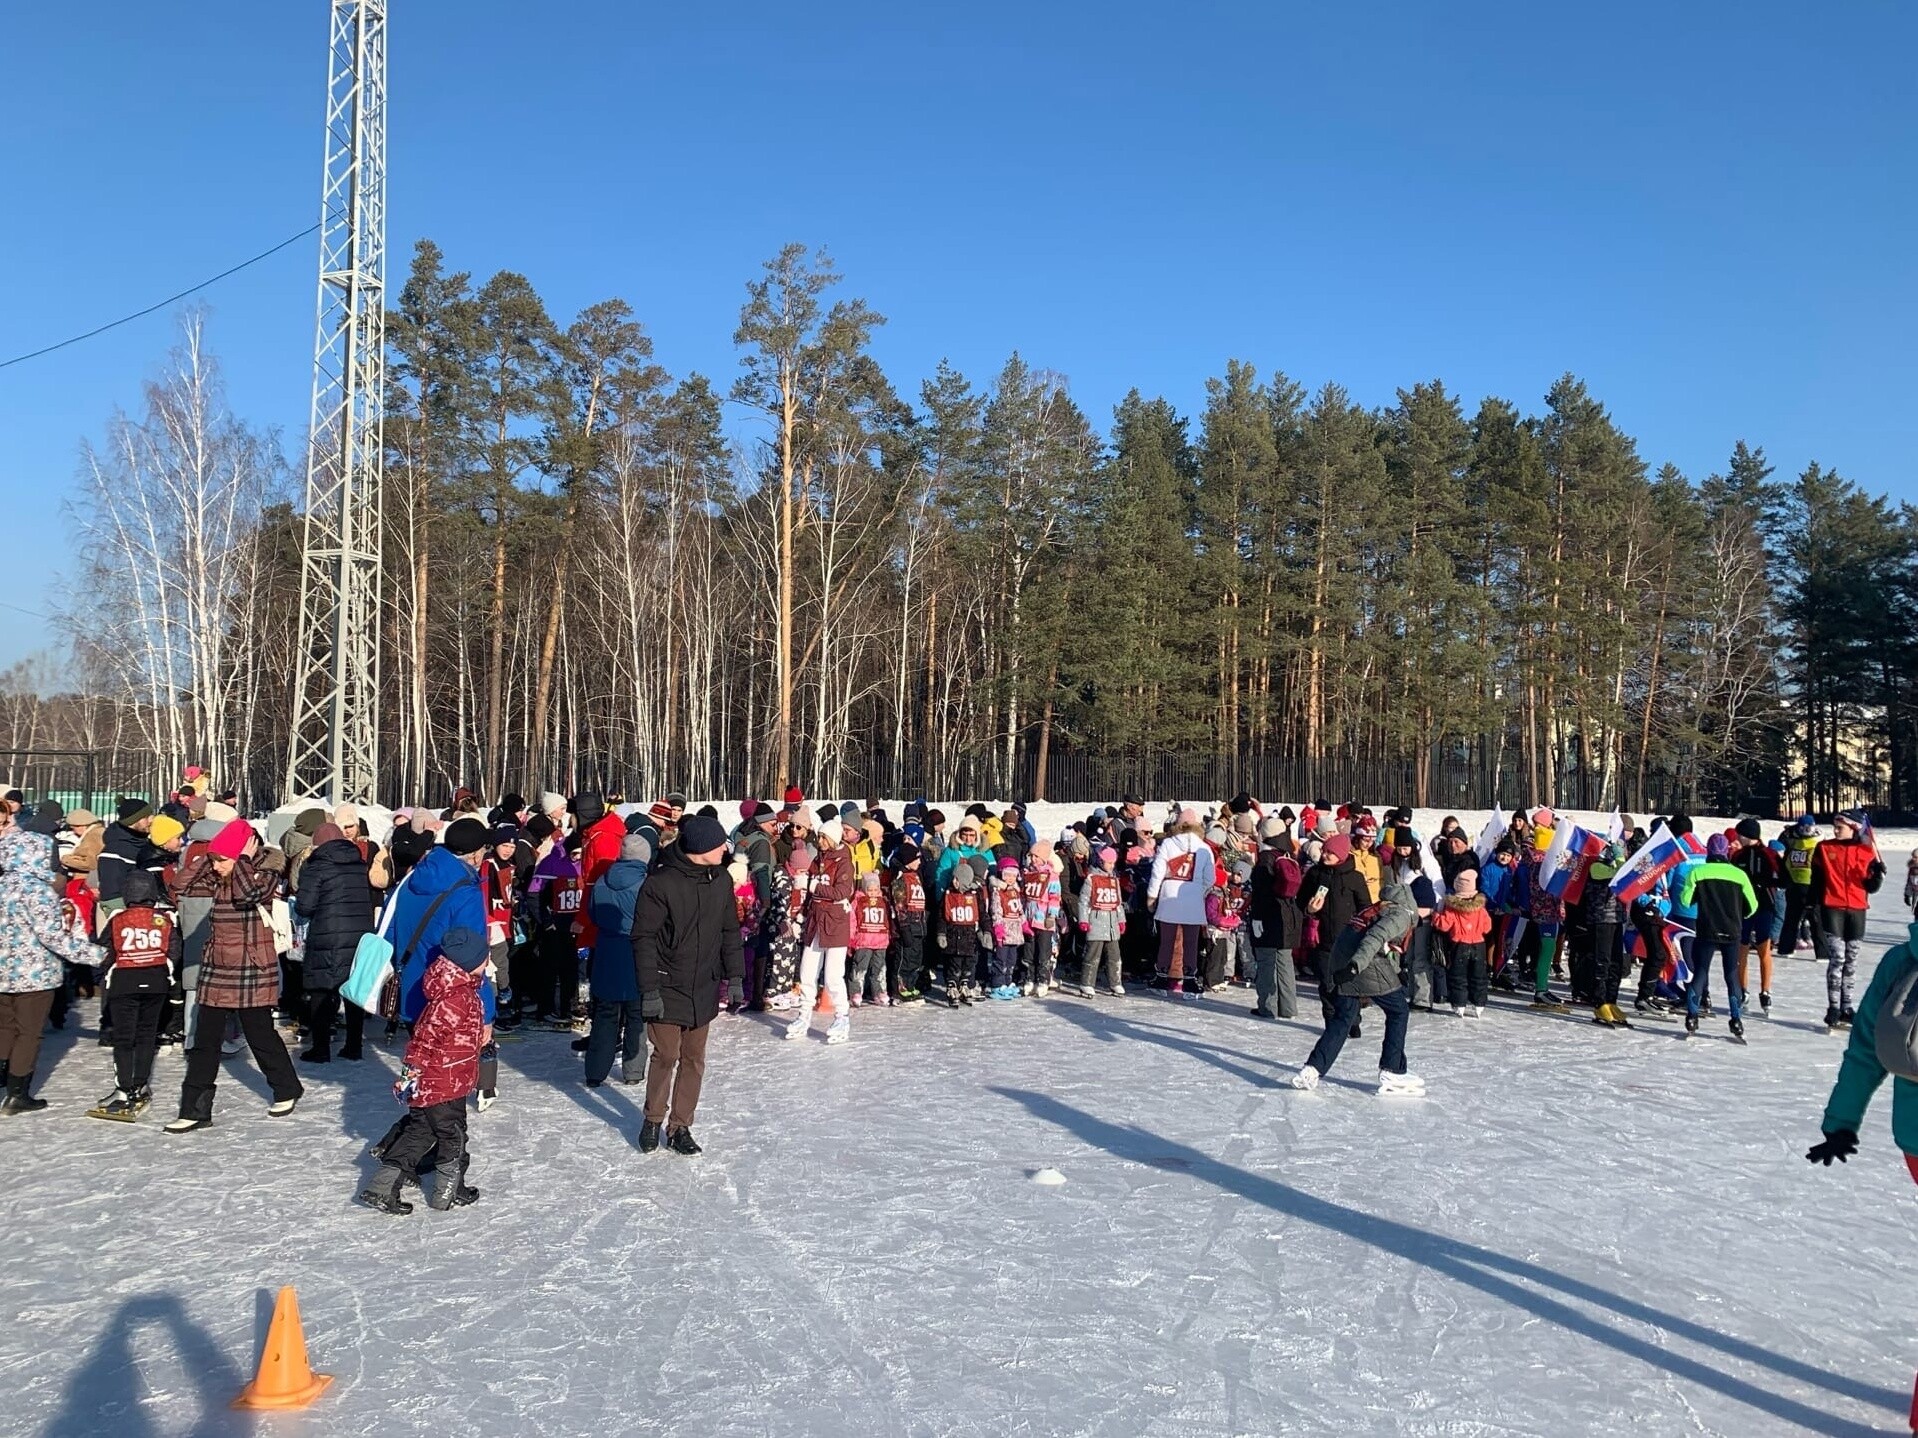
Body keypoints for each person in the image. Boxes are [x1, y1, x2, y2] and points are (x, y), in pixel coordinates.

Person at [166, 819, 304, 1132]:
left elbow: (249, 894)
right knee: (205, 1041)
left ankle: (286, 1088)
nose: (217, 868)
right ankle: (195, 1110)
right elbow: (181, 886)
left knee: (260, 1035)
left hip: (252, 967)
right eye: (215, 862)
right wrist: (205, 855)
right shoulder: (215, 871)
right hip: (217, 966)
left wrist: (239, 860)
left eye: (221, 861)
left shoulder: (266, 870)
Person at [631, 813, 743, 1155]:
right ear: (699, 849)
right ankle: (652, 1118)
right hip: (667, 985)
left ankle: (680, 1126)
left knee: (694, 1058)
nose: (725, 848)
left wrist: (735, 977)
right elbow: (643, 938)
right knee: (666, 1055)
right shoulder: (660, 884)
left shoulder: (721, 879)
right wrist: (649, 989)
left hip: (703, 986)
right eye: (718, 844)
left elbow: (729, 931)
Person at [359, 925, 490, 1215]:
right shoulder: (457, 998)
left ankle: (382, 1186)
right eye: (485, 959)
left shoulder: (458, 991)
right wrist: (410, 1073)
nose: (488, 964)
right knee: (454, 1136)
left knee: (420, 1132)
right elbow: (425, 1039)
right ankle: (449, 1191)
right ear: (468, 964)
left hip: (440, 1081)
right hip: (444, 1083)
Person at [0, 820, 101, 1114]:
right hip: (34, 975)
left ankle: (4, 1080)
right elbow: (53, 937)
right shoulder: (38, 891)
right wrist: (97, 955)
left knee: (4, 1027)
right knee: (29, 1032)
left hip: (2, 973)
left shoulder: (3, 886)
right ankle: (18, 1094)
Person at [1292, 883, 1424, 1096]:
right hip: (1361, 963)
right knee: (1398, 1010)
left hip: (1341, 960)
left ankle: (1312, 1069)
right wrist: (1355, 967)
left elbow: (1386, 946)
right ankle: (1393, 1069)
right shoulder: (1401, 914)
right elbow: (1375, 938)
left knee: (1344, 1017)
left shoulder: (1380, 907)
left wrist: (1396, 970)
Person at [90, 868, 178, 1119]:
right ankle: (140, 1084)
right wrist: (165, 968)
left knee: (124, 1037)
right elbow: (174, 950)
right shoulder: (163, 919)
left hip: (125, 983)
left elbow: (105, 952)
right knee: (146, 1035)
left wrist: (107, 972)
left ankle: (123, 1088)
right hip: (156, 982)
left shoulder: (118, 919)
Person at [293, 821, 375, 1063]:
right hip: (359, 935)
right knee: (352, 991)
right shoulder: (359, 864)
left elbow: (305, 906)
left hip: (327, 933)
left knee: (321, 991)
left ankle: (320, 1049)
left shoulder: (317, 866)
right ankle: (353, 1045)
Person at [584, 833, 652, 1087]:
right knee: (636, 1015)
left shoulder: (602, 881)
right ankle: (633, 1071)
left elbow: (593, 913)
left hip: (606, 953)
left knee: (605, 1014)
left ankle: (595, 1071)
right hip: (636, 953)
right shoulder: (646, 883)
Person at [1676, 834, 1758, 1040]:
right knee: (1731, 975)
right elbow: (1753, 906)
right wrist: (1740, 914)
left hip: (1706, 929)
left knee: (1701, 972)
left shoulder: (1698, 872)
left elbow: (1685, 900)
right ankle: (1736, 1019)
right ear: (1726, 851)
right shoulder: (1739, 875)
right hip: (1732, 931)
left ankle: (1692, 1016)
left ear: (1708, 851)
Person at [786, 809, 856, 1043]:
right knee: (807, 973)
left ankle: (842, 1016)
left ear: (834, 839)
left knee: (833, 977)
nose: (820, 841)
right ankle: (803, 1015)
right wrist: (799, 917)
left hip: (835, 925)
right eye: (820, 837)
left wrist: (814, 886)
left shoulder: (844, 862)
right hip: (815, 923)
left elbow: (842, 892)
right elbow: (808, 894)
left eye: (824, 838)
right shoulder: (818, 860)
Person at [1813, 810, 1885, 1028]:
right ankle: (1833, 1007)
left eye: (1840, 827)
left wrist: (1877, 874)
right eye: (1834, 826)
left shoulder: (1865, 850)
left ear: (1853, 828)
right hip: (1832, 907)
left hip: (1857, 909)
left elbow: (1870, 887)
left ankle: (1847, 1006)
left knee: (1851, 962)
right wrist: (1811, 906)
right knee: (1838, 959)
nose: (1835, 830)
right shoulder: (1824, 848)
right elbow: (1816, 879)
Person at [1148, 808, 1215, 995]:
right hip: (1193, 900)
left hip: (1169, 898)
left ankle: (1161, 978)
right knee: (1191, 943)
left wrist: (1152, 896)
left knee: (1166, 941)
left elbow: (1157, 873)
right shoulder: (1204, 847)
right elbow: (1210, 878)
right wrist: (1197, 891)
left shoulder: (1168, 844)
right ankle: (1190, 981)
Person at [1731, 817, 1782, 1018]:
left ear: (1745, 835)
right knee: (1741, 950)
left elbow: (1785, 879)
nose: (1737, 838)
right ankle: (1743, 991)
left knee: (1764, 949)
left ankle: (1765, 991)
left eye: (1739, 834)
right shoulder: (1738, 856)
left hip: (1764, 908)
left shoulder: (1769, 854)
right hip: (1743, 909)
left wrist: (1765, 881)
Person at [1246, 835, 1302, 1019]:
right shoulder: (1289, 856)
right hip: (1289, 917)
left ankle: (1267, 1007)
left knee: (1266, 963)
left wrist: (1257, 919)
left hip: (1267, 917)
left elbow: (1261, 894)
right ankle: (1288, 1008)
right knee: (1285, 964)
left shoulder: (1264, 861)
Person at [1432, 869, 1493, 1018]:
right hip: (1479, 945)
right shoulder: (1480, 909)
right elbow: (1487, 927)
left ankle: (1459, 1004)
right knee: (1478, 975)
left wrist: (1435, 916)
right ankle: (1479, 1004)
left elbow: (1444, 925)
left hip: (1459, 945)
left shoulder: (1452, 908)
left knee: (1458, 975)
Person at [1075, 845, 1127, 998]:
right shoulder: (1092, 879)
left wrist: (1121, 920)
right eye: (1108, 862)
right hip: (1096, 921)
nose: (1111, 866)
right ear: (1101, 861)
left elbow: (1118, 902)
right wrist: (1083, 920)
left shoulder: (1114, 880)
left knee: (1115, 956)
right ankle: (1087, 983)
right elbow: (1083, 901)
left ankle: (1115, 982)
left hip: (1112, 924)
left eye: (1113, 863)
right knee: (1093, 955)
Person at [848, 870, 892, 1006]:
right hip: (864, 940)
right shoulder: (858, 900)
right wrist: (851, 937)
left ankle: (879, 991)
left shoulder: (883, 901)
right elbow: (852, 919)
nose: (873, 892)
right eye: (870, 889)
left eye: (875, 889)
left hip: (880, 941)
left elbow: (887, 919)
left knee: (879, 968)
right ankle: (856, 992)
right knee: (860, 967)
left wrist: (889, 935)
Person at [1779, 814, 1819, 955]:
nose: (1807, 831)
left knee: (1813, 918)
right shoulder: (1789, 838)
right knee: (1793, 917)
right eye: (1804, 828)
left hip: (1811, 884)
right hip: (1795, 883)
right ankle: (1788, 945)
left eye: (1810, 828)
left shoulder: (1818, 839)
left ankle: (1818, 947)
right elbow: (1784, 860)